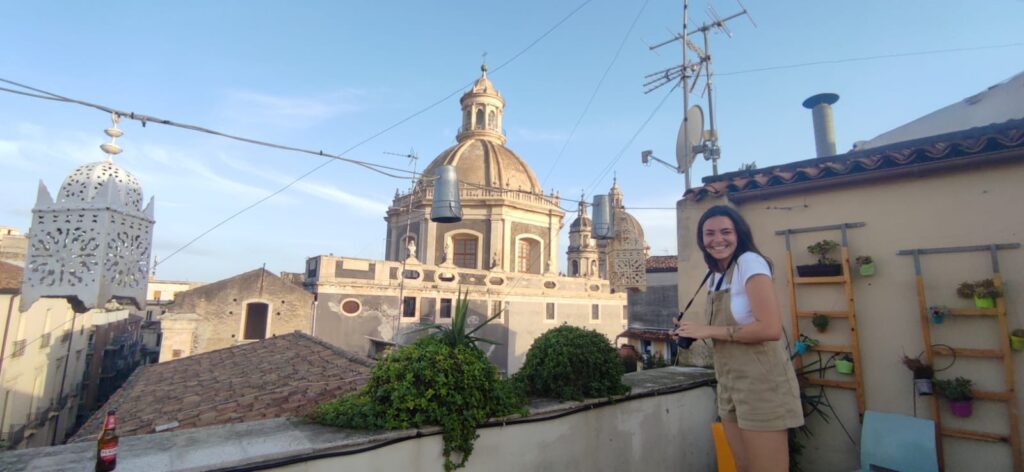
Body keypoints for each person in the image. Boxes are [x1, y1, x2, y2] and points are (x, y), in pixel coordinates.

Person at [673, 205, 803, 472]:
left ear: (739, 234)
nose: (717, 239)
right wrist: (690, 330)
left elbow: (770, 328)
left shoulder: (749, 262)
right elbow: (726, 326)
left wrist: (707, 330)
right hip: (730, 381)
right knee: (743, 466)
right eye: (709, 233)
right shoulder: (717, 275)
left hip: (761, 383)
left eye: (725, 232)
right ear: (701, 240)